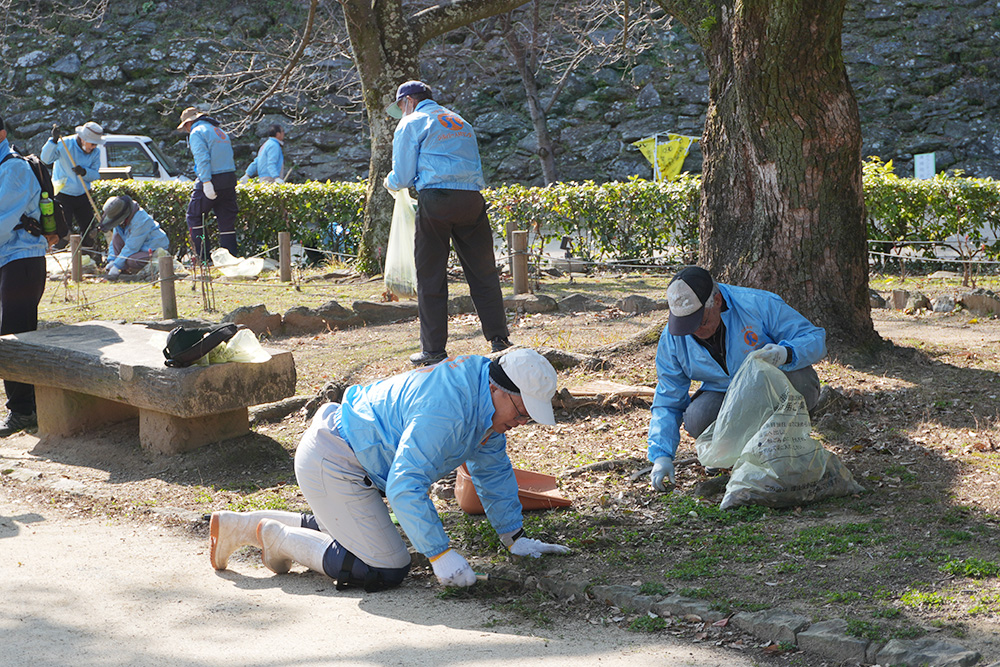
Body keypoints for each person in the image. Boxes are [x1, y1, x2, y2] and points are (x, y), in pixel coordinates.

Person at [209, 348, 570, 591]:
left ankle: (239, 526)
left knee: (372, 538)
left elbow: (492, 470)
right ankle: (278, 540)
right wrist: (440, 554)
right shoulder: (447, 409)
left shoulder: (484, 404)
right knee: (387, 567)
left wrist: (514, 536)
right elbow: (405, 486)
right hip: (334, 459)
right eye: (522, 413)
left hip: (353, 463)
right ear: (498, 390)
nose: (522, 422)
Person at [647, 266, 827, 492]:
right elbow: (668, 397)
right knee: (696, 417)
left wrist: (785, 353)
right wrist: (661, 456)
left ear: (717, 300)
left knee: (802, 382)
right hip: (724, 393)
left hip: (770, 386)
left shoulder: (757, 304)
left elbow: (815, 338)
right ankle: (734, 456)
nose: (696, 331)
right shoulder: (673, 338)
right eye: (687, 326)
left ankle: (782, 449)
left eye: (700, 321)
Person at [384, 80, 511, 366]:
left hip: (437, 199)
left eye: (401, 107)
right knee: (483, 271)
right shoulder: (459, 121)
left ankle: (433, 350)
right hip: (472, 199)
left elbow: (402, 176)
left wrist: (388, 182)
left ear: (408, 102)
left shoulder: (412, 122)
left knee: (431, 275)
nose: (401, 113)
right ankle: (499, 338)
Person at [0, 115, 50, 436]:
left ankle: (23, 411)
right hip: (9, 262)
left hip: (22, 263)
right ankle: (24, 407)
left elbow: (2, 222)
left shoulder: (14, 168)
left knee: (13, 337)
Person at [176, 107, 238, 262]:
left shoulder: (197, 133)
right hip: (229, 178)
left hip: (212, 178)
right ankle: (230, 258)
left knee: (194, 216)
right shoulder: (220, 131)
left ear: (189, 122)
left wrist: (206, 181)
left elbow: (202, 158)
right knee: (226, 221)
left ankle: (204, 258)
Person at [39, 121, 103, 258]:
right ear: (84, 139)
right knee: (63, 233)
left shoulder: (95, 152)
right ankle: (55, 261)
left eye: (95, 144)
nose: (94, 147)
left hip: (83, 193)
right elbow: (45, 159)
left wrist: (85, 172)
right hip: (63, 193)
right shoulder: (64, 144)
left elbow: (96, 174)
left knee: (90, 232)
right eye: (92, 143)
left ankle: (89, 260)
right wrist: (53, 141)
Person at [98, 195, 170, 278]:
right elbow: (114, 242)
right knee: (117, 237)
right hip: (137, 249)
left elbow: (132, 246)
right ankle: (122, 269)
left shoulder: (141, 220)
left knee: (131, 261)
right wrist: (111, 260)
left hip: (153, 248)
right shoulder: (120, 220)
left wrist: (117, 266)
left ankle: (140, 272)